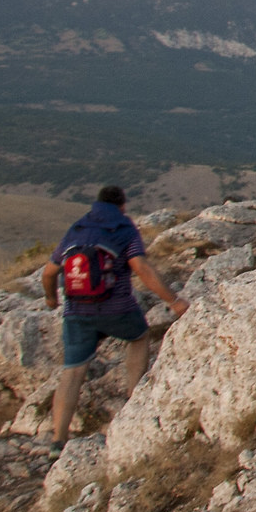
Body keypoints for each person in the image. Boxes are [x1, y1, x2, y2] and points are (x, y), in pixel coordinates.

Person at [39, 186, 188, 444]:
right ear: (122, 205)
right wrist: (174, 301)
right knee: (139, 337)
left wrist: (51, 298)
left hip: (76, 311)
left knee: (72, 373)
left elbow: (49, 273)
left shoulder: (76, 229)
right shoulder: (124, 228)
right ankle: (133, 402)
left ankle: (58, 439)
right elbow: (141, 268)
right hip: (116, 308)